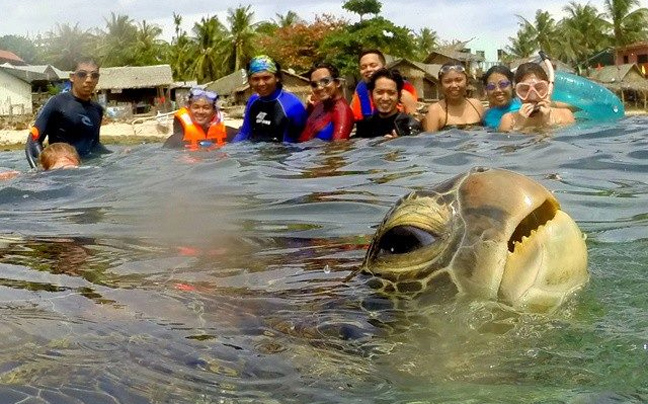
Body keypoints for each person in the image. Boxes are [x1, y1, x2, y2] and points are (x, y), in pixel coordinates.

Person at [25, 57, 110, 168]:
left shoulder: (97, 109)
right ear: (72, 77)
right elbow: (33, 142)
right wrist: (40, 172)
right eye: (82, 74)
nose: (89, 80)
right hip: (62, 172)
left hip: (88, 171)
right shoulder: (57, 102)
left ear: (98, 79)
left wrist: (118, 155)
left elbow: (94, 145)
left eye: (94, 75)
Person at [232, 55, 307, 143]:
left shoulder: (293, 105)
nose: (261, 83)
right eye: (256, 79)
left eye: (266, 78)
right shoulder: (253, 101)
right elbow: (244, 133)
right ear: (249, 81)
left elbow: (302, 140)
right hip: (256, 152)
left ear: (277, 78)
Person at [499, 63, 575, 132]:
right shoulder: (508, 121)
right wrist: (519, 126)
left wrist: (547, 123)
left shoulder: (565, 116)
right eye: (525, 89)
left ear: (548, 89)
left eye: (538, 88)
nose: (532, 96)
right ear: (517, 92)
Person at [349, 49, 418, 122]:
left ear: (384, 67)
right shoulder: (360, 92)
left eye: (373, 65)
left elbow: (414, 124)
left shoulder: (403, 94)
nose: (368, 69)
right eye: (363, 67)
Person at [354, 68, 423, 139]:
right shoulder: (364, 126)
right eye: (379, 92)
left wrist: (401, 145)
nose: (385, 98)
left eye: (391, 93)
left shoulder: (409, 125)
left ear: (399, 95)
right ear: (371, 94)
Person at [163, 87, 235, 150]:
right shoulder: (175, 141)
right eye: (196, 107)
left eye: (206, 108)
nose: (200, 112)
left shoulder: (229, 134)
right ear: (189, 110)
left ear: (215, 112)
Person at [299, 63, 354, 142]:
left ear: (337, 82)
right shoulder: (317, 105)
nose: (319, 88)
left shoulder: (342, 111)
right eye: (314, 84)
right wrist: (308, 108)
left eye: (325, 81)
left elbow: (339, 148)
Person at [423, 62, 484, 132]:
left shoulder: (477, 105)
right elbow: (429, 141)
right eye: (448, 81)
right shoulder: (434, 110)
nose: (454, 85)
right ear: (440, 85)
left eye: (458, 80)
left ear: (467, 82)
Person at [482, 65, 522, 130]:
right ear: (486, 90)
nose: (498, 90)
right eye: (491, 87)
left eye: (503, 84)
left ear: (513, 84)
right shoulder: (486, 116)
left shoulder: (523, 109)